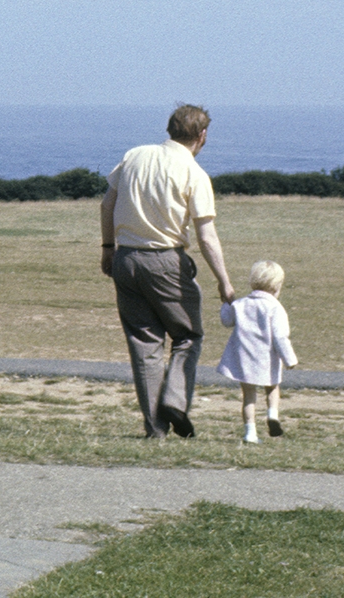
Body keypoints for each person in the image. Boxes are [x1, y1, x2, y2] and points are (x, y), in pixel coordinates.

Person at [99, 104, 237, 439]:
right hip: (166, 262)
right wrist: (224, 281)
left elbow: (107, 204)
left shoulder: (134, 156)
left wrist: (107, 248)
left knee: (144, 342)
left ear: (169, 128)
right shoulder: (194, 173)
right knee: (188, 335)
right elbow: (206, 235)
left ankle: (155, 429)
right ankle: (175, 400)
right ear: (202, 136)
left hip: (127, 258)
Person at [217, 260, 299, 443]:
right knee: (272, 387)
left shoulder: (241, 304)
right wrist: (289, 359)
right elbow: (280, 337)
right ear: (277, 286)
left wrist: (226, 303)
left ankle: (250, 433)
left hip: (244, 358)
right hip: (267, 358)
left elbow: (226, 321)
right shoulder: (276, 308)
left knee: (249, 397)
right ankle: (272, 414)